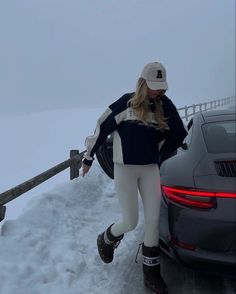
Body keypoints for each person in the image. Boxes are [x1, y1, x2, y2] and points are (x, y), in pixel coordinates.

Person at [82, 62, 187, 293]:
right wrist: (88, 158)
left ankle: (151, 273)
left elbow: (179, 133)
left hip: (150, 169)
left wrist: (160, 152)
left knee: (152, 221)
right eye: (154, 86)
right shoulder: (126, 102)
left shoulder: (164, 106)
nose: (158, 91)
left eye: (161, 87)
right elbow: (102, 126)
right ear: (143, 83)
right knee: (131, 221)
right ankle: (107, 238)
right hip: (125, 169)